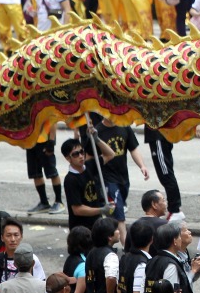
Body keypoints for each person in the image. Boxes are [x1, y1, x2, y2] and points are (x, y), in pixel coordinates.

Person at [82, 116, 150, 246]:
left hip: (123, 178)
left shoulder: (124, 126)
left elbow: (133, 148)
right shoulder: (96, 131)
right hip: (107, 180)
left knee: (114, 213)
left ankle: (107, 242)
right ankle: (127, 247)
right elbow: (89, 157)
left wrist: (142, 166)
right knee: (119, 215)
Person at [61, 136, 115, 231]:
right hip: (81, 229)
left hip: (97, 224)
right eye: (75, 154)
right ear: (68, 158)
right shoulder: (70, 180)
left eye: (82, 152)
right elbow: (77, 210)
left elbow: (110, 154)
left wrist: (97, 139)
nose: (81, 156)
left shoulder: (90, 166)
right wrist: (101, 210)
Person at [143, 222, 200, 293]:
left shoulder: (151, 260)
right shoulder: (170, 264)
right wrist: (193, 270)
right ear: (174, 241)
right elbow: (173, 289)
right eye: (179, 237)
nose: (180, 239)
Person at [0, 221, 46, 293]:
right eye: (8, 235)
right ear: (2, 237)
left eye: (16, 235)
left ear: (21, 236)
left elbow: (40, 285)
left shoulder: (33, 259)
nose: (12, 239)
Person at [84, 218, 120, 293]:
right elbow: (111, 278)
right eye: (116, 229)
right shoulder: (110, 256)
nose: (118, 231)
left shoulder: (91, 252)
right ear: (109, 237)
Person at [118, 221, 154, 293]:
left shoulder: (124, 258)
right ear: (151, 240)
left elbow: (119, 288)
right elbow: (137, 291)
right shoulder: (143, 265)